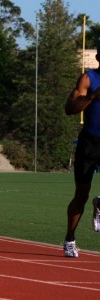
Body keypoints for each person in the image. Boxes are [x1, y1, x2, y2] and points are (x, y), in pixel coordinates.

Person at [64, 46, 100, 257]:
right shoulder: (88, 78)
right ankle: (70, 238)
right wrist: (94, 96)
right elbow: (69, 108)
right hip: (90, 143)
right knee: (81, 195)